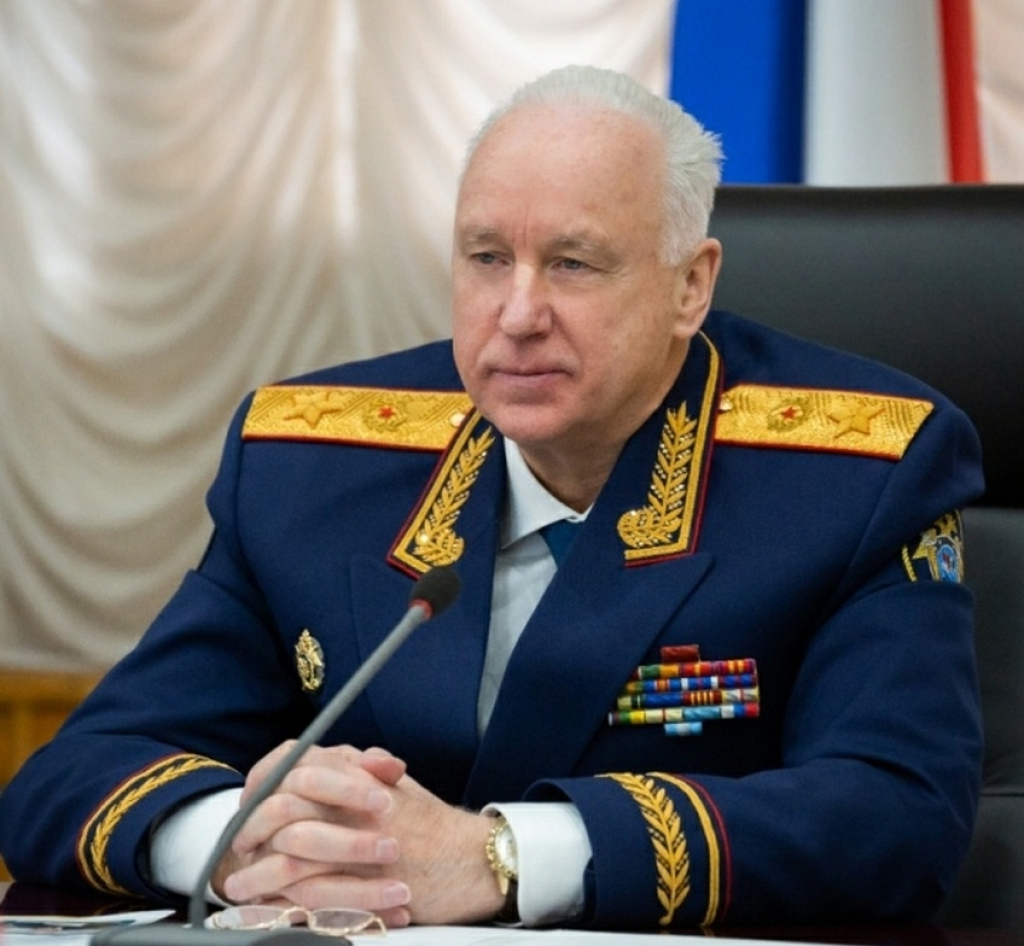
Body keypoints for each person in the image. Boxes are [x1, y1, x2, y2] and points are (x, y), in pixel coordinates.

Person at [0, 65, 984, 931]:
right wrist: (245, 840)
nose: (516, 314)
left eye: (572, 263)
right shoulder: (308, 462)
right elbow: (70, 778)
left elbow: (897, 819)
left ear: (690, 286)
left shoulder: (862, 472)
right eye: (485, 258)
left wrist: (502, 857)